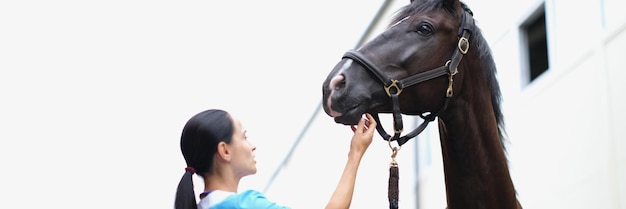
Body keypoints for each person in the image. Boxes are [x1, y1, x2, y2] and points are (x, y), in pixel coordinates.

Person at [174, 109, 376, 209]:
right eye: (244, 137)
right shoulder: (245, 205)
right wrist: (355, 153)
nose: (252, 145)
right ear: (225, 151)